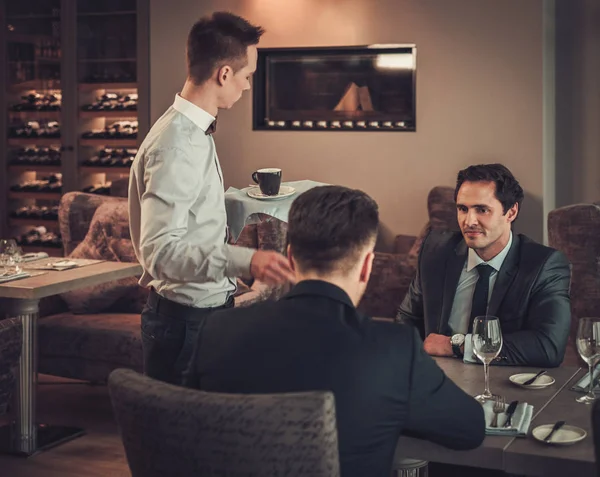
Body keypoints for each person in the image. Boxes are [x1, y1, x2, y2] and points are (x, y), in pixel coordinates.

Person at [189, 185, 485, 477]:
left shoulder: (217, 329)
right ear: (367, 266)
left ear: (290, 258)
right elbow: (470, 429)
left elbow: (186, 430)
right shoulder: (395, 350)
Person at [128, 12, 294, 385]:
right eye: (247, 76)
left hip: (201, 318)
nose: (248, 86)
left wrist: (240, 209)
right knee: (179, 442)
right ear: (224, 74)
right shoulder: (177, 145)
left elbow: (192, 222)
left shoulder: (191, 132)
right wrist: (247, 261)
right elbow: (161, 252)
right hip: (184, 326)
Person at [397, 164, 571, 367]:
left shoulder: (544, 265)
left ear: (511, 212)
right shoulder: (436, 251)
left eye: (482, 210)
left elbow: (548, 346)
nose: (469, 221)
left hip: (505, 387)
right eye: (463, 209)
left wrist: (456, 346)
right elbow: (406, 320)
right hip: (437, 380)